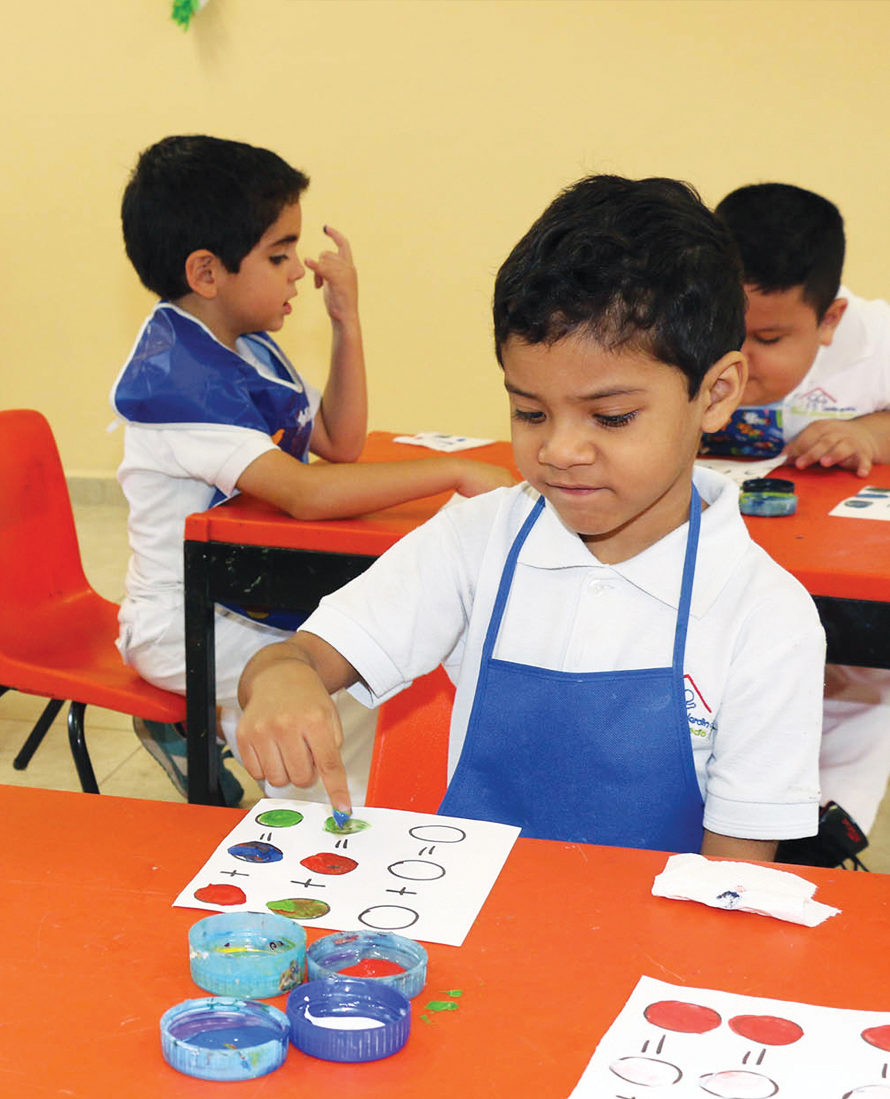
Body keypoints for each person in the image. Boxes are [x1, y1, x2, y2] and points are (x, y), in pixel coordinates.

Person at [235, 174, 825, 857]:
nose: (560, 450)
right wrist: (282, 679)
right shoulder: (479, 541)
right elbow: (296, 656)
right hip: (473, 932)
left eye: (611, 416)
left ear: (716, 393)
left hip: (654, 954)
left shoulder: (766, 618)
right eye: (529, 412)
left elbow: (734, 882)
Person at [109, 135, 511, 803]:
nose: (299, 269)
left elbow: (340, 441)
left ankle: (242, 761)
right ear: (207, 273)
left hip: (245, 594)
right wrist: (455, 473)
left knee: (371, 657)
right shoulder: (173, 382)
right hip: (188, 620)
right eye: (279, 253)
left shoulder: (247, 348)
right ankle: (312, 831)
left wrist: (346, 322)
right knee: (347, 685)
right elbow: (304, 492)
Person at [710, 182, 890, 854]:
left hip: (841, 603)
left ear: (832, 318)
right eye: (730, 329)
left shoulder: (879, 339)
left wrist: (872, 432)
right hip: (725, 575)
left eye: (771, 337)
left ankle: (822, 826)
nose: (743, 357)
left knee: (854, 695)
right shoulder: (671, 318)